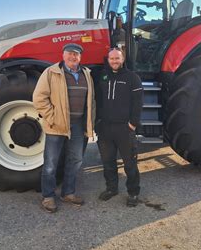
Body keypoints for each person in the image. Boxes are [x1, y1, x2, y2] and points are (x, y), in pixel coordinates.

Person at [33, 43, 95, 213]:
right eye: (69, 54)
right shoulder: (51, 72)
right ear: (63, 55)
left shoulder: (86, 74)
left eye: (76, 55)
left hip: (78, 125)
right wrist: (53, 118)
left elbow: (91, 102)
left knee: (75, 160)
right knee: (51, 163)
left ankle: (68, 193)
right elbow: (39, 98)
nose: (72, 57)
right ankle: (48, 196)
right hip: (56, 125)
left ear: (80, 57)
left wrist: (89, 123)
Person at [96, 48, 143, 207]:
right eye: (111, 58)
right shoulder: (102, 76)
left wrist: (133, 124)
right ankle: (111, 188)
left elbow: (138, 103)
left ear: (122, 59)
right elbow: (96, 100)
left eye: (117, 58)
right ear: (107, 60)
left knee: (129, 163)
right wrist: (97, 123)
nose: (114, 61)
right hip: (105, 128)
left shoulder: (132, 78)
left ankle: (133, 192)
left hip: (124, 128)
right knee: (108, 162)